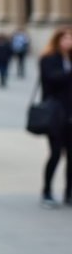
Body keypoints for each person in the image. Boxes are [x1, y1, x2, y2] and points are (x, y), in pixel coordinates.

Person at [37, 28, 72, 208]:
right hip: (55, 114)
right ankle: (47, 191)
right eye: (66, 38)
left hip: (70, 114)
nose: (69, 41)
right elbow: (53, 79)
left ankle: (69, 192)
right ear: (58, 40)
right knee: (56, 153)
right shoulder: (49, 59)